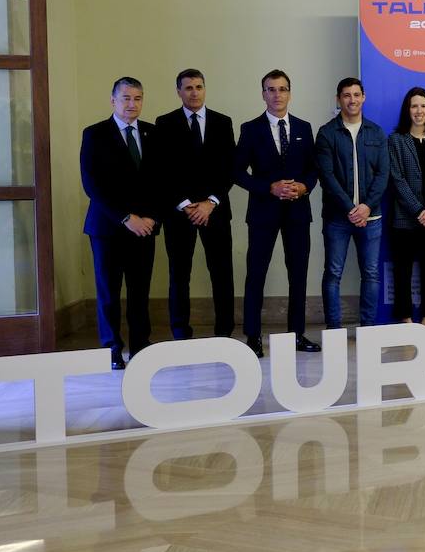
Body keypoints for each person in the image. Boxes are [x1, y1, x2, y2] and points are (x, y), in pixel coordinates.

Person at [233, 69, 321, 357]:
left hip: (297, 212)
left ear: (289, 93)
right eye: (271, 89)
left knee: (298, 274)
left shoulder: (303, 127)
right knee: (255, 274)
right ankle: (253, 336)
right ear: (263, 94)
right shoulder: (251, 128)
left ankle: (297, 335)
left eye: (282, 89)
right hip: (263, 212)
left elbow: (313, 169)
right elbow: (237, 173)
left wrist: (304, 187)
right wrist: (267, 187)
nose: (277, 95)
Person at [80, 77, 160, 370]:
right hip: (108, 228)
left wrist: (152, 217)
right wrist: (127, 218)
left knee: (140, 291)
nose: (132, 104)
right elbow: (92, 184)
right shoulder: (95, 134)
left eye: (137, 98)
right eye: (126, 98)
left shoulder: (153, 133)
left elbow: (162, 183)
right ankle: (111, 347)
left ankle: (141, 345)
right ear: (113, 101)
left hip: (145, 228)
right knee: (109, 291)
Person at [154, 68, 235, 341]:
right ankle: (181, 334)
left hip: (215, 210)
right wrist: (186, 204)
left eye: (199, 87)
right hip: (180, 213)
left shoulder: (223, 123)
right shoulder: (164, 123)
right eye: (188, 88)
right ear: (178, 91)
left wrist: (210, 202)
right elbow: (161, 171)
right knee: (179, 275)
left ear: (205, 89)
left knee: (222, 272)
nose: (194, 92)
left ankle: (224, 332)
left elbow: (229, 169)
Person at [315, 77, 389, 330]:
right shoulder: (326, 133)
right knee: (333, 274)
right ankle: (333, 330)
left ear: (363, 97)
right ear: (339, 99)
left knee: (371, 274)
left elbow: (383, 174)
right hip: (338, 218)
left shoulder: (376, 132)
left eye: (356, 95)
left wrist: (366, 206)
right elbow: (327, 176)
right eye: (346, 95)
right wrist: (350, 208)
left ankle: (367, 328)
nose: (352, 100)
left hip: (372, 217)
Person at [387, 87, 425, 326]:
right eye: (414, 106)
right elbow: (397, 178)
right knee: (402, 272)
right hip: (405, 218)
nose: (419, 111)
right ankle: (406, 319)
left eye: (423, 106)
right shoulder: (395, 140)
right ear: (407, 110)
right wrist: (417, 210)